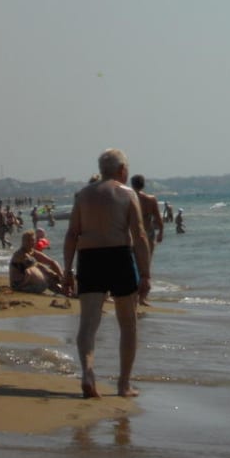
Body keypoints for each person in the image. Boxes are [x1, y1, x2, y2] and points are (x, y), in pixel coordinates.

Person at [63, 148, 151, 399]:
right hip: (119, 257)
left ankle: (88, 372)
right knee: (128, 324)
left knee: (88, 323)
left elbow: (72, 234)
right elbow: (140, 235)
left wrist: (67, 269)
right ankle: (123, 384)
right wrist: (145, 273)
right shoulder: (127, 194)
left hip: (90, 259)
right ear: (122, 170)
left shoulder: (83, 195)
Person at [131, 174, 164, 305]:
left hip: (132, 234)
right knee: (146, 266)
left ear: (132, 184)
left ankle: (134, 295)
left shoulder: (128, 197)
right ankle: (142, 298)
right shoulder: (150, 200)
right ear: (143, 184)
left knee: (133, 265)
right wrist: (161, 232)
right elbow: (158, 218)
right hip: (147, 234)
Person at [9, 230, 65, 294]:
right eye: (28, 240)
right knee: (44, 272)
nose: (30, 242)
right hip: (20, 287)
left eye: (32, 240)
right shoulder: (19, 254)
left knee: (51, 274)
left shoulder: (32, 252)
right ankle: (64, 290)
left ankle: (64, 288)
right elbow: (34, 265)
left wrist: (61, 275)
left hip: (32, 284)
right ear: (23, 242)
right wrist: (53, 274)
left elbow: (52, 262)